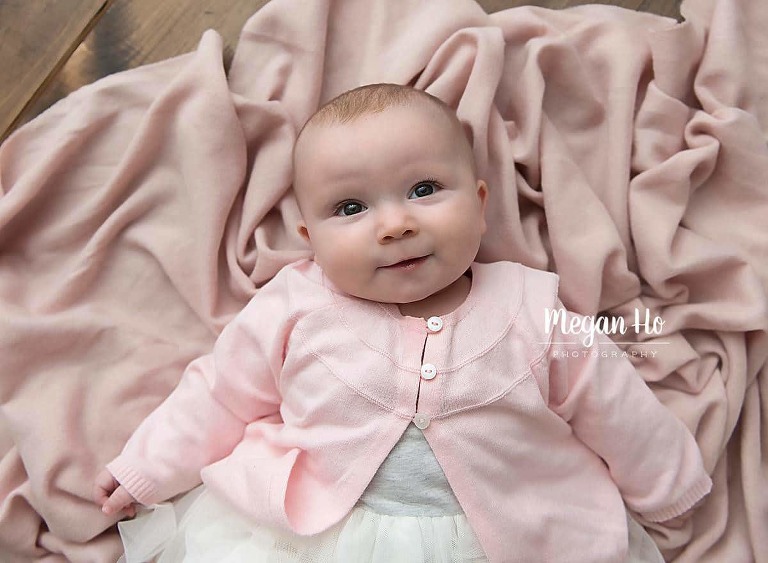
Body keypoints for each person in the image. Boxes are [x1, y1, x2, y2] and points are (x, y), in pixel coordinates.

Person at [94, 83, 712, 563]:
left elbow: (614, 402)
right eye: (351, 207)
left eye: (423, 189)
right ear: (310, 239)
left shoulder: (532, 310)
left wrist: (669, 488)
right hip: (319, 534)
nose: (394, 225)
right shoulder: (295, 306)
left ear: (478, 202)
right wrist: (147, 467)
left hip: (506, 532)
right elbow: (220, 392)